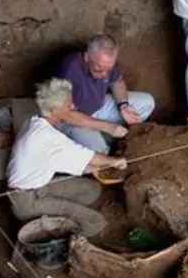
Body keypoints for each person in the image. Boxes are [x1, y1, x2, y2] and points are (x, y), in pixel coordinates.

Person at [7, 78, 127, 238]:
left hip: (39, 186)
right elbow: (91, 157)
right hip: (26, 202)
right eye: (68, 105)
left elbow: (53, 159)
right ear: (54, 110)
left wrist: (84, 167)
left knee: (91, 190)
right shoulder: (47, 137)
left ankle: (61, 214)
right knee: (95, 221)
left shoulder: (34, 122)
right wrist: (115, 161)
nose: (72, 106)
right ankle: (67, 240)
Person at [53, 34, 155, 151]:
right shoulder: (68, 71)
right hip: (74, 119)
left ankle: (115, 137)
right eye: (99, 70)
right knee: (101, 151)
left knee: (147, 103)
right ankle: (104, 139)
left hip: (97, 108)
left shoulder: (105, 63)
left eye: (109, 69)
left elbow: (117, 82)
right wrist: (107, 127)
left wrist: (123, 105)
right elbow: (65, 114)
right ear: (86, 57)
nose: (105, 75)